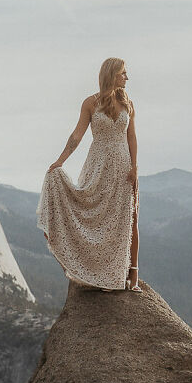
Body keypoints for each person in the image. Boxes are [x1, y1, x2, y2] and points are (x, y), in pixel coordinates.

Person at [38, 57, 141, 292]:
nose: (127, 77)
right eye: (123, 73)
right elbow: (77, 136)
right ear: (111, 75)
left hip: (123, 167)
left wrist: (135, 167)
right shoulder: (90, 103)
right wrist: (60, 161)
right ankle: (101, 274)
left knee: (128, 218)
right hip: (98, 165)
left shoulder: (128, 103)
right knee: (98, 219)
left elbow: (132, 137)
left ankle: (132, 277)